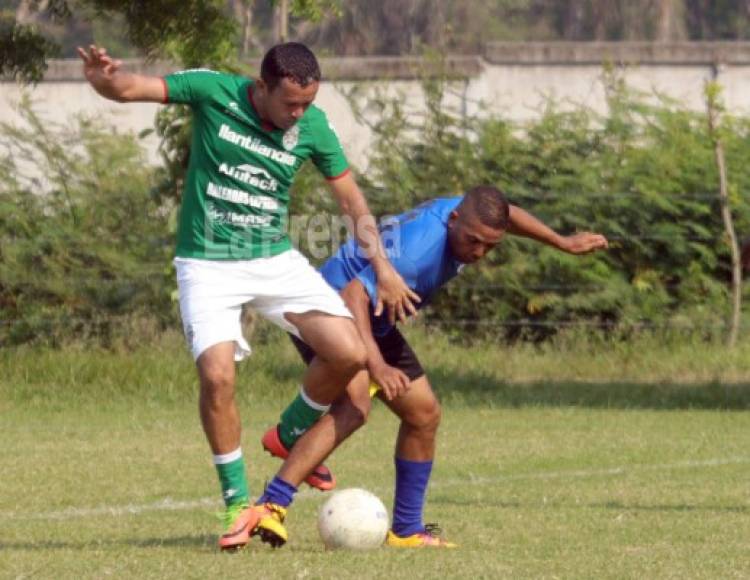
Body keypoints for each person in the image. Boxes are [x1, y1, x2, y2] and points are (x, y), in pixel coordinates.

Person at [77, 42, 419, 551]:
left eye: (308, 103)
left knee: (349, 353)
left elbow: (350, 200)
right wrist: (102, 78)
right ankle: (238, 504)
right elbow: (129, 88)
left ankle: (289, 431)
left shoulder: (313, 127)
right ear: (261, 88)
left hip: (272, 261)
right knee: (217, 378)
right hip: (206, 264)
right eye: (291, 105)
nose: (300, 114)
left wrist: (383, 268)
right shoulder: (214, 91)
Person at [253, 185, 609, 548]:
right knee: (354, 408)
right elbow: (353, 295)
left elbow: (508, 212)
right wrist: (376, 365)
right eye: (473, 241)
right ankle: (271, 504)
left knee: (424, 414)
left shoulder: (470, 212)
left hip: (374, 319)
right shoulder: (417, 253)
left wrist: (560, 241)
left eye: (490, 246)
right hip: (332, 311)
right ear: (454, 220)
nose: (479, 252)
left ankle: (407, 530)